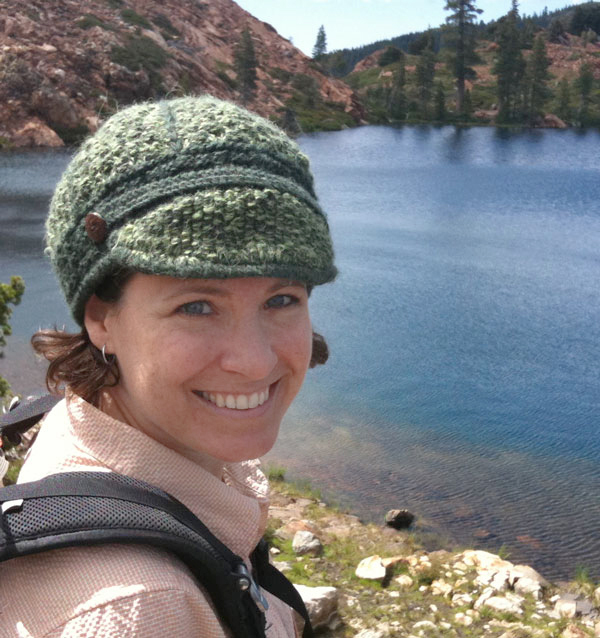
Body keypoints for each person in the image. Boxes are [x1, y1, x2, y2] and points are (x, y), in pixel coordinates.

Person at [0, 96, 336, 638]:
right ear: (101, 317)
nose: (254, 362)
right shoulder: (139, 609)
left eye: (282, 300)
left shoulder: (94, 422)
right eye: (196, 307)